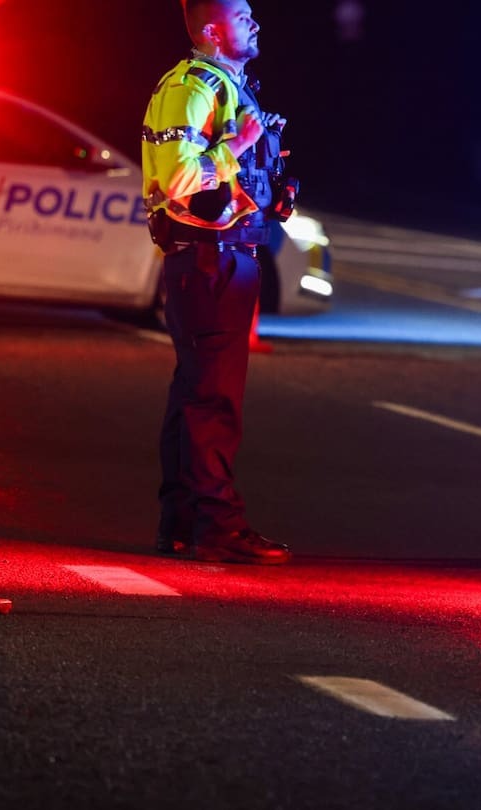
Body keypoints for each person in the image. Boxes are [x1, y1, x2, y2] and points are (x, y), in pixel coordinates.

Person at [141, 0, 292, 565]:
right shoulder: (191, 87)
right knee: (214, 401)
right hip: (210, 261)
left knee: (195, 395)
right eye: (242, 14)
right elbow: (182, 180)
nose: (255, 21)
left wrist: (271, 186)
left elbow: (236, 181)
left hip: (218, 257)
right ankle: (217, 527)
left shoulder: (228, 86)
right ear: (210, 29)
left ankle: (181, 523)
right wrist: (241, 145)